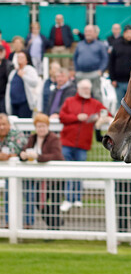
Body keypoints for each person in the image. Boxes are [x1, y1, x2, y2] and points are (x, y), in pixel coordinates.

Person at [58, 79, 108, 211]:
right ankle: (69, 198)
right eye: (84, 88)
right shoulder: (69, 101)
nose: (87, 91)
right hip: (67, 142)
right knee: (69, 172)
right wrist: (76, 117)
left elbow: (107, 114)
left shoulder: (95, 104)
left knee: (79, 171)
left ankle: (77, 198)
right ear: (79, 89)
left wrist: (99, 118)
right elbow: (62, 117)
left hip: (83, 144)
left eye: (88, 88)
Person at [18, 113, 64, 229]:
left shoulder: (53, 138)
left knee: (54, 205)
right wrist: (22, 155)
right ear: (35, 127)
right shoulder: (32, 138)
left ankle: (54, 229)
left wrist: (39, 157)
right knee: (39, 203)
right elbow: (24, 150)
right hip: (42, 178)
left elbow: (57, 155)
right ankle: (55, 223)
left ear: (47, 127)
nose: (41, 129)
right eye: (39, 126)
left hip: (55, 178)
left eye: (43, 126)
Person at [73, 25, 108, 101]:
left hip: (95, 74)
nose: (88, 33)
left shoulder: (100, 45)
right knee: (80, 94)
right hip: (81, 74)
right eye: (86, 31)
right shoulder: (80, 44)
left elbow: (105, 59)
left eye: (90, 31)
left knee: (97, 94)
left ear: (95, 33)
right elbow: (75, 57)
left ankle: (99, 112)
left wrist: (100, 70)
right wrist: (76, 70)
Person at [5, 52, 41, 118]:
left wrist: (23, 76)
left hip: (25, 103)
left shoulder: (30, 70)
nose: (19, 59)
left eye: (22, 57)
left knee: (24, 125)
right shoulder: (13, 72)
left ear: (27, 60)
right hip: (13, 103)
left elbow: (35, 83)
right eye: (18, 57)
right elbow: (9, 87)